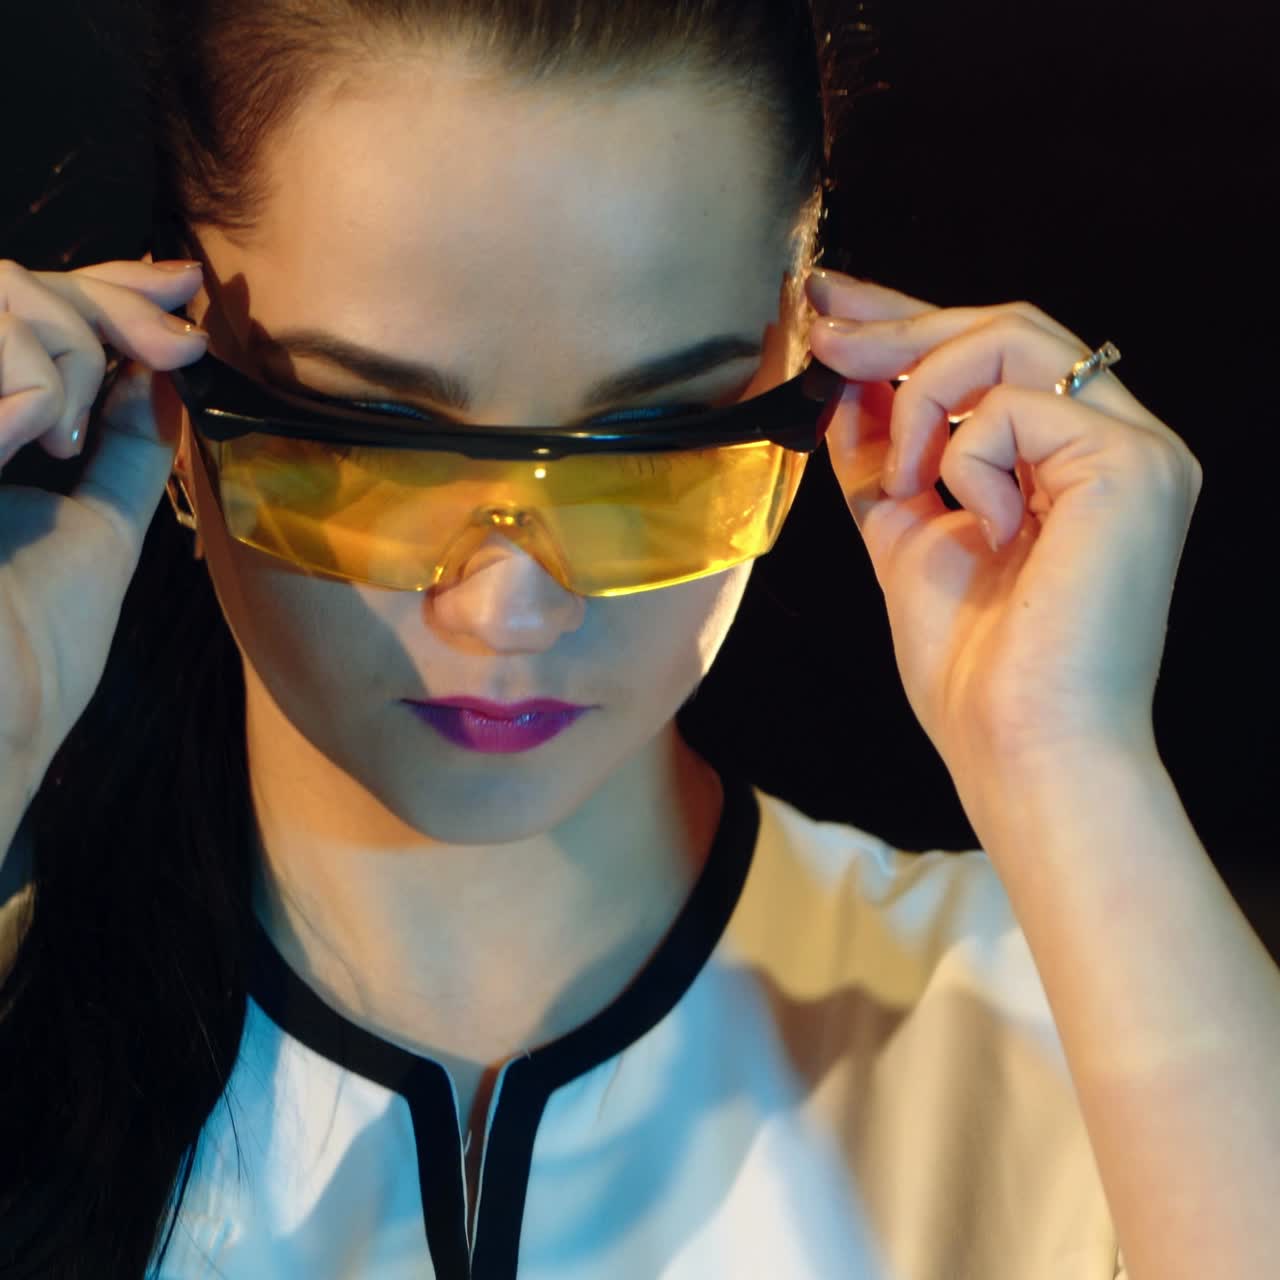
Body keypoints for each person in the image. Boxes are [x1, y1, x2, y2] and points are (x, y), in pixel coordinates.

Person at [2, 1, 1277, 1277]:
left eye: (656, 440)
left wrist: (1067, 760)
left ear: (806, 365)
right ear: (167, 384)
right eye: (368, 438)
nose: (508, 607)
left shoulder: (1068, 1024)